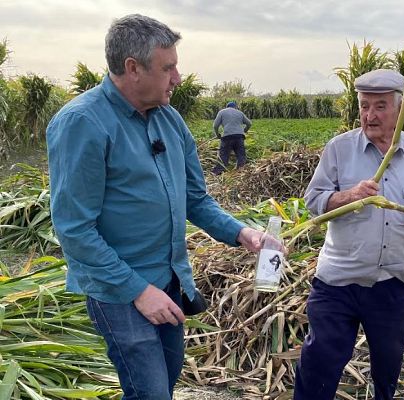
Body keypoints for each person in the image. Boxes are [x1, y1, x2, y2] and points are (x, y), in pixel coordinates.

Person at [46, 14, 267, 399]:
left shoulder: (170, 120)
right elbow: (74, 229)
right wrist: (138, 290)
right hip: (119, 290)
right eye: (168, 68)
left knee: (164, 381)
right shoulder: (83, 123)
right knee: (150, 392)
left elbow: (195, 199)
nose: (178, 78)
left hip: (170, 281)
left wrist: (242, 232)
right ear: (133, 68)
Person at [295, 69, 404, 400]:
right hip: (337, 283)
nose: (370, 115)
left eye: (380, 106)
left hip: (391, 284)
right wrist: (348, 196)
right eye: (364, 105)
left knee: (388, 368)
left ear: (399, 109)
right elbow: (314, 201)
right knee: (320, 364)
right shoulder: (339, 149)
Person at [212, 101, 252, 174]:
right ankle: (240, 172)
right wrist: (244, 131)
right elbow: (249, 123)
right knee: (241, 155)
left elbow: (215, 125)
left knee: (223, 155)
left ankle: (218, 172)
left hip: (227, 136)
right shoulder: (240, 113)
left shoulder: (222, 112)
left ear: (227, 107)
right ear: (235, 107)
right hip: (239, 137)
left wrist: (217, 134)